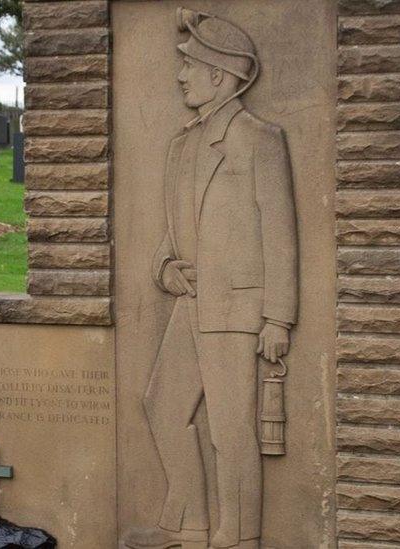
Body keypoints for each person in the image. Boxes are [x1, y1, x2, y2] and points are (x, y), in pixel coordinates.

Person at [123, 8, 298, 549]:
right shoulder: (182, 145)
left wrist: (278, 316)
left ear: (219, 76)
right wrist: (165, 268)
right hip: (191, 306)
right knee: (163, 407)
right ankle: (190, 524)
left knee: (230, 432)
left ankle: (238, 537)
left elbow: (281, 231)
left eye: (188, 67)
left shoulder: (258, 139)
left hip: (238, 311)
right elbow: (173, 233)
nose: (179, 76)